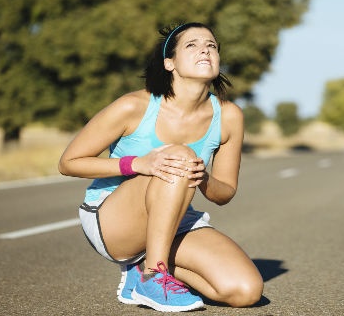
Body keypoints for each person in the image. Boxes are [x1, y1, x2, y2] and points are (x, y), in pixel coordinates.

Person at [59, 22, 263, 312]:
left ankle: (144, 270)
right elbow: (69, 163)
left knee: (245, 291)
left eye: (211, 45)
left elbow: (224, 193)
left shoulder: (229, 116)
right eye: (192, 45)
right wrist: (139, 164)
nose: (205, 49)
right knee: (178, 156)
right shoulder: (134, 106)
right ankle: (154, 276)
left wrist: (202, 176)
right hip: (112, 219)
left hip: (175, 218)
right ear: (170, 63)